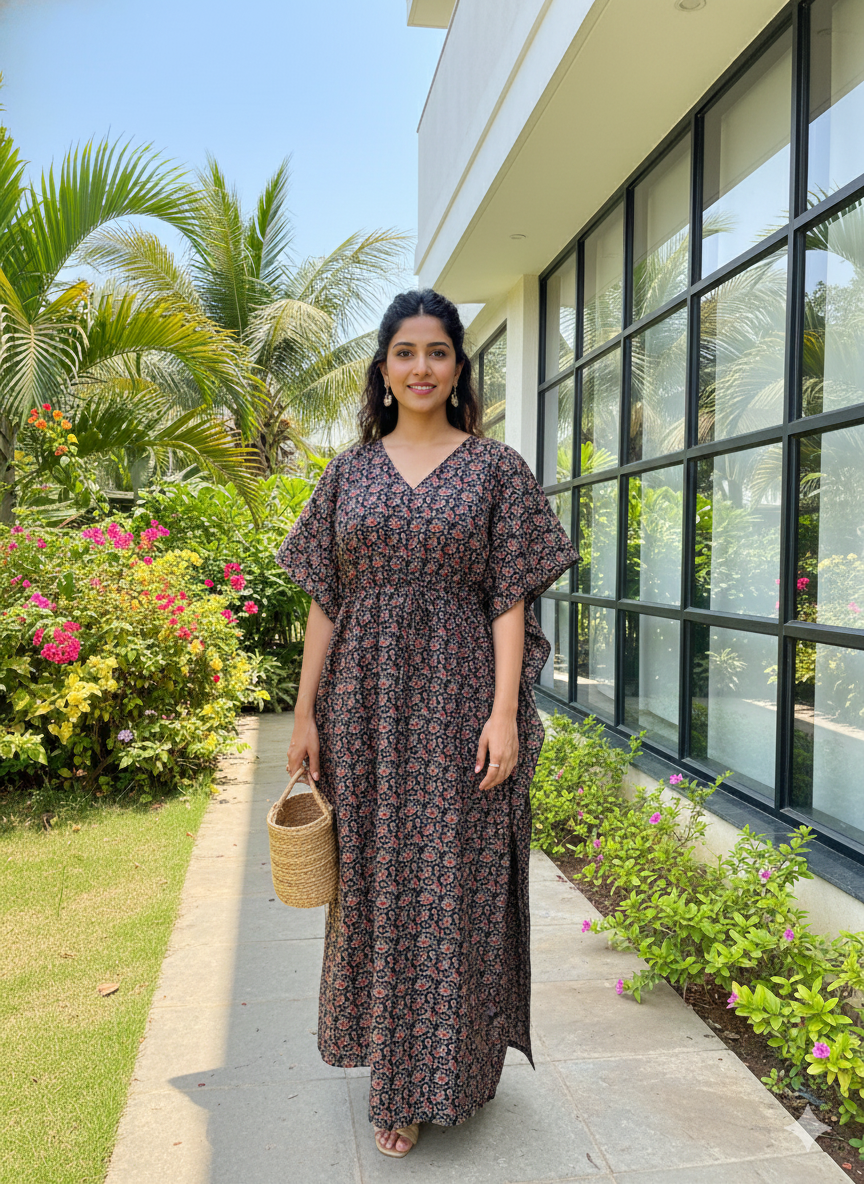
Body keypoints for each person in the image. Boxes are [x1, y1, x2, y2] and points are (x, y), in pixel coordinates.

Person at [275, 288, 578, 1159]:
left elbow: (509, 598)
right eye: (404, 352)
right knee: (377, 885)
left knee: (459, 887)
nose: (420, 367)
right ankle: (395, 1085)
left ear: (458, 367)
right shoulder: (348, 471)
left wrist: (503, 713)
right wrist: (305, 714)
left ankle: (459, 1070)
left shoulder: (495, 469)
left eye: (437, 352)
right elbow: (325, 604)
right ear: (382, 368)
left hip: (460, 705)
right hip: (362, 709)